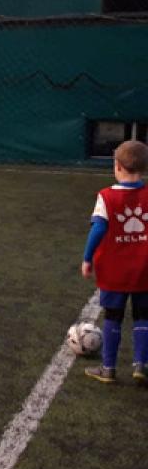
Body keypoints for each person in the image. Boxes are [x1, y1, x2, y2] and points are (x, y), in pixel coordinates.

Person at [80, 140, 148, 385]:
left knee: (113, 316)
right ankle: (141, 365)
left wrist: (87, 258)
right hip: (144, 269)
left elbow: (98, 230)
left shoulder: (106, 196)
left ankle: (108, 368)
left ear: (117, 166)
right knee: (143, 316)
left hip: (114, 270)